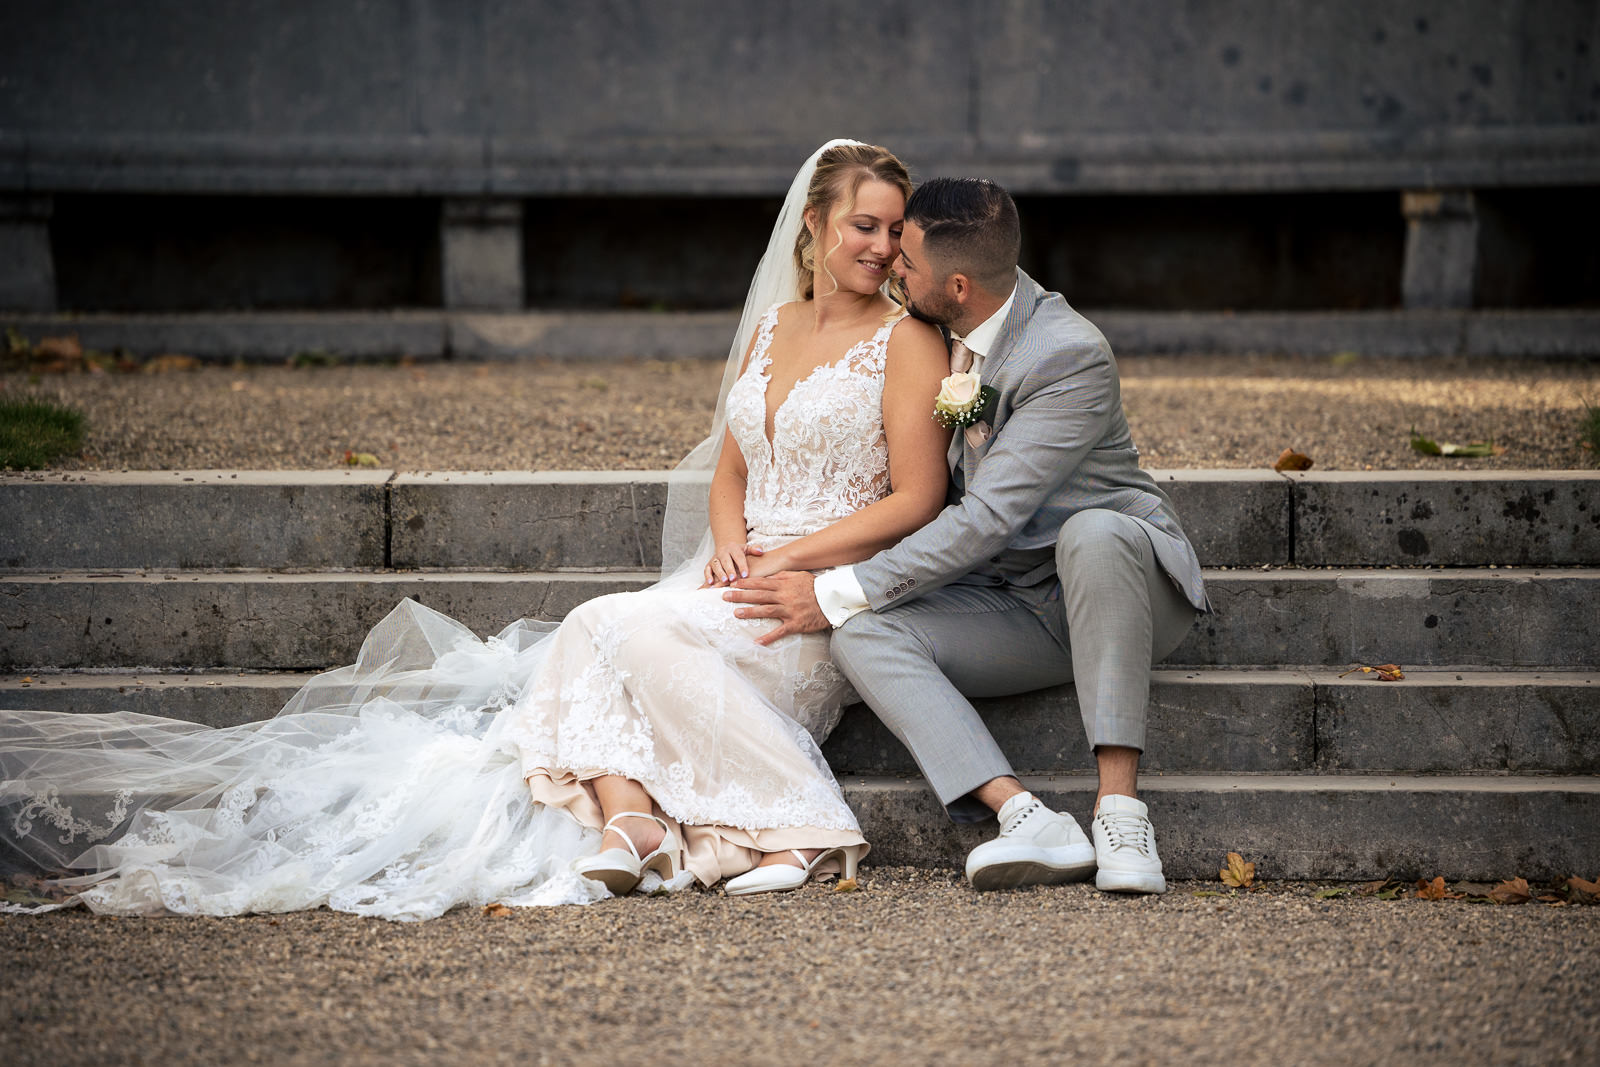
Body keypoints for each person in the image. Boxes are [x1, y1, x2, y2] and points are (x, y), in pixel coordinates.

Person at [0, 141, 952, 919]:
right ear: (816, 222)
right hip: (734, 571)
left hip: (817, 594)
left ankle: (798, 824)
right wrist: (731, 536)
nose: (878, 244)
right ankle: (637, 824)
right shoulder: (773, 328)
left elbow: (915, 499)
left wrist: (787, 557)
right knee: (598, 625)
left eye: (892, 230)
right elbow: (733, 464)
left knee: (615, 629)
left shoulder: (904, 342)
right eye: (862, 224)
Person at [723, 177, 1210, 895]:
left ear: (955, 284)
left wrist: (831, 589)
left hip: (1124, 588)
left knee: (1095, 533)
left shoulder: (1067, 354)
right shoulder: (944, 327)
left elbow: (986, 517)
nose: (892, 265)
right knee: (864, 635)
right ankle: (1023, 814)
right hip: (1016, 601)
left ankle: (1120, 809)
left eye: (907, 261)